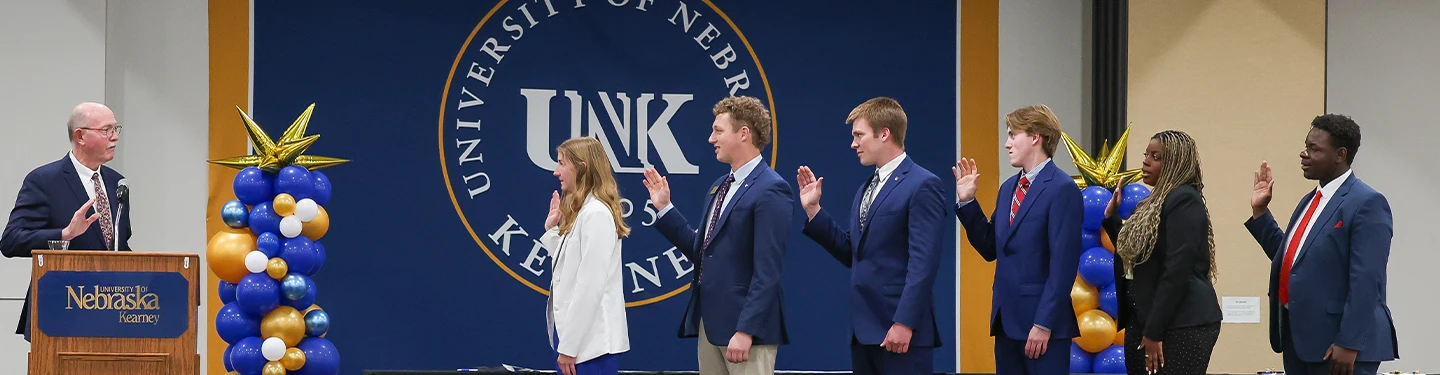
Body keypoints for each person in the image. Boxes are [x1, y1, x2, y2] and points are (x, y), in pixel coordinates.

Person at [794, 97, 945, 375]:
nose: (854, 144)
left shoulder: (923, 185)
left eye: (859, 135)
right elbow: (852, 251)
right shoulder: (866, 188)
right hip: (865, 334)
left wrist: (904, 323)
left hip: (901, 335)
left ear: (884, 133)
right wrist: (813, 210)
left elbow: (923, 264)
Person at [642, 95, 792, 375]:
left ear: (744, 133)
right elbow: (702, 250)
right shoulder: (719, 186)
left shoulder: (772, 189)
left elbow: (767, 271)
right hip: (710, 327)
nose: (711, 138)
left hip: (746, 333)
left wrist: (746, 330)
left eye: (718, 131)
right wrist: (665, 208)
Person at [1245, 114, 1398, 375]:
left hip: (1341, 347)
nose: (1304, 155)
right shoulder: (1310, 201)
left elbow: (1366, 279)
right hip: (1302, 342)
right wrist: (1260, 213)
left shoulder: (1367, 202)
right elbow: (1294, 262)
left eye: (1314, 149)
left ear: (1340, 154)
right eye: (1306, 147)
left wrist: (1349, 342)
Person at [952, 104, 1082, 374]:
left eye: (1013, 135)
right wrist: (968, 202)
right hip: (1006, 323)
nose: (1007, 144)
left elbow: (1063, 265)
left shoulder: (1062, 189)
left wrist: (1044, 323)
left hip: (1043, 327)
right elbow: (991, 247)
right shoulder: (1008, 187)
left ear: (1036, 137)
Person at [0, 102, 132, 342]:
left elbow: (118, 245)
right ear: (80, 136)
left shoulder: (116, 183)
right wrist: (64, 234)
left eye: (116, 129)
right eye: (106, 130)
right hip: (61, 311)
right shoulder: (44, 180)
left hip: (112, 312)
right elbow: (10, 241)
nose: (115, 137)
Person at [1100, 130, 1222, 375]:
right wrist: (1112, 219)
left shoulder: (1184, 200)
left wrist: (1154, 331)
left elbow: (1177, 270)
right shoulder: (1150, 204)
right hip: (1146, 320)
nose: (1146, 161)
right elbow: (1134, 254)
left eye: (1156, 157)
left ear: (1175, 164)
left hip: (1181, 323)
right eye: (1146, 154)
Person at [539, 137, 631, 375]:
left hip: (591, 347)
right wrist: (551, 231)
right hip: (578, 342)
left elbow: (590, 285)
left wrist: (569, 346)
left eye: (561, 163)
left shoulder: (596, 214)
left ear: (582, 167)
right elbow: (570, 265)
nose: (556, 171)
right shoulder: (585, 212)